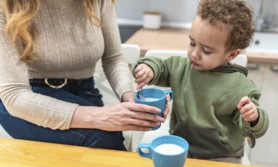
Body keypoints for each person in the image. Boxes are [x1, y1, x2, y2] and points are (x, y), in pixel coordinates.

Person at [0, 0, 166, 150]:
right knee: (104, 139)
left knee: (107, 140)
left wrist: (129, 96)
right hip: (28, 99)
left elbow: (113, 58)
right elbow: (14, 94)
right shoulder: (7, 5)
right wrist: (99, 116)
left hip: (84, 90)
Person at [133, 0, 269, 163]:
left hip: (222, 157)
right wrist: (149, 68)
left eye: (206, 50)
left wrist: (253, 117)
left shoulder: (240, 87)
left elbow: (258, 128)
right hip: (182, 149)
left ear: (231, 55)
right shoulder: (181, 67)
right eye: (192, 43)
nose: (194, 54)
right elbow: (161, 67)